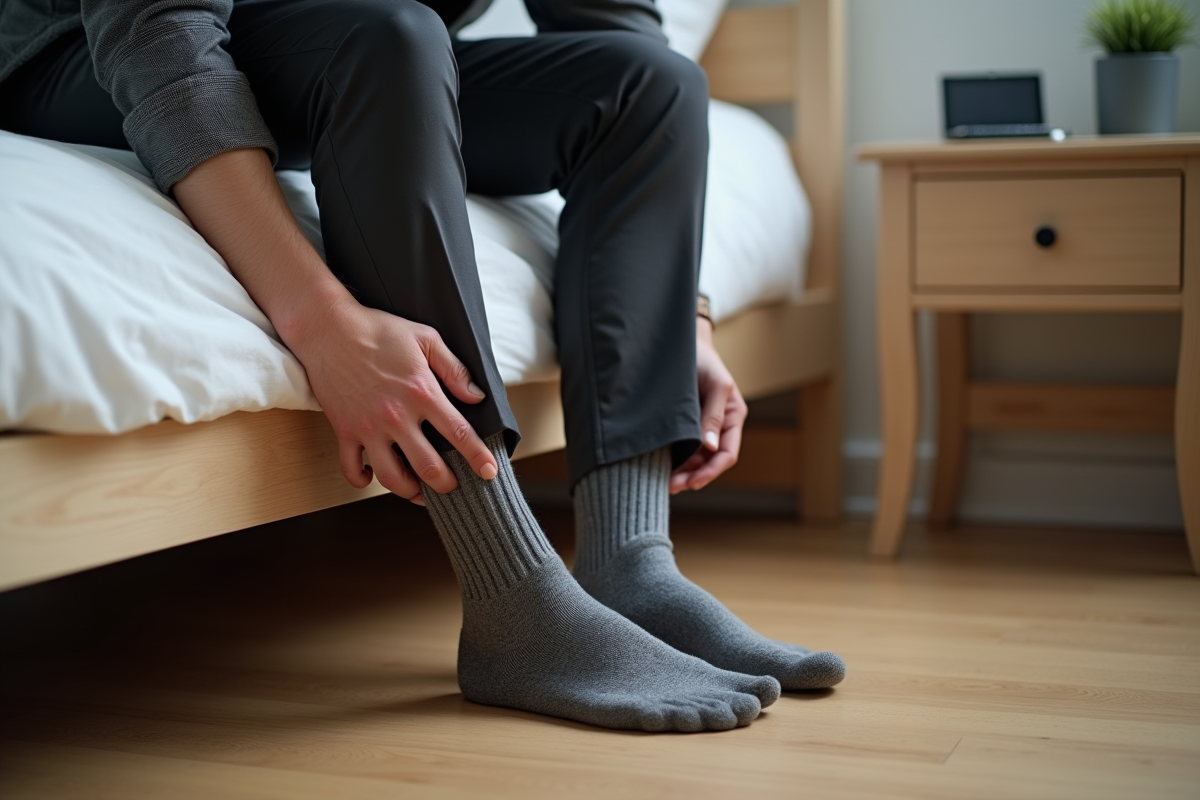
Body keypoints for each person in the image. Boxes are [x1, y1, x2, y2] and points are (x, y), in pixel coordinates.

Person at [0, 0, 845, 732]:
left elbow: (610, 21)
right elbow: (154, 30)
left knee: (650, 83)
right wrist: (318, 321)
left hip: (360, 46)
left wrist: (682, 316)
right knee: (389, 33)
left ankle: (634, 567)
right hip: (89, 54)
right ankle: (512, 600)